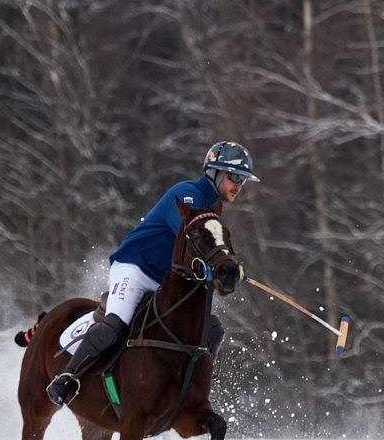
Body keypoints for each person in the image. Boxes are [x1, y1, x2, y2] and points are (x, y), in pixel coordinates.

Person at [46, 141, 259, 405]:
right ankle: (67, 378)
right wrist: (213, 269)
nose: (239, 185)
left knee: (212, 329)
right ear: (214, 172)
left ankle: (191, 387)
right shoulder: (188, 195)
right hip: (135, 267)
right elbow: (190, 240)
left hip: (165, 281)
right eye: (234, 177)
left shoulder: (215, 209)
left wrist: (228, 270)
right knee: (116, 323)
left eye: (243, 180)